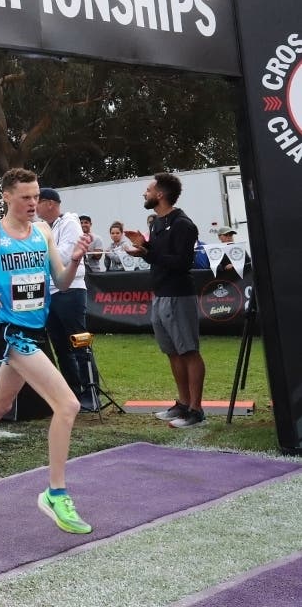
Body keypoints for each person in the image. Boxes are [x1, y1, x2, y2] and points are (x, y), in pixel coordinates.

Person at [0, 167, 93, 535]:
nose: (33, 203)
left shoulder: (43, 232)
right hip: (12, 332)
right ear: (6, 196)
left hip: (36, 331)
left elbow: (61, 282)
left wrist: (74, 259)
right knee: (68, 405)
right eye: (25, 197)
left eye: (36, 196)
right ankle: (55, 493)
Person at [126, 172, 205, 429]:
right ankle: (182, 404)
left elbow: (182, 263)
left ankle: (196, 410)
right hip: (160, 294)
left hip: (179, 295)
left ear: (160, 194)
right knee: (172, 351)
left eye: (148, 190)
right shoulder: (156, 222)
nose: (144, 194)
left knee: (189, 350)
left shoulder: (183, 224)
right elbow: (160, 256)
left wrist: (149, 253)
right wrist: (144, 248)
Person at [37, 189, 100, 412]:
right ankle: (72, 392)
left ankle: (91, 393)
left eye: (38, 202)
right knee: (60, 346)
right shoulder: (45, 227)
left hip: (71, 290)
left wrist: (38, 256)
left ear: (51, 204)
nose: (34, 206)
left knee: (79, 342)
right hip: (50, 292)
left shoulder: (69, 222)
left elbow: (64, 255)